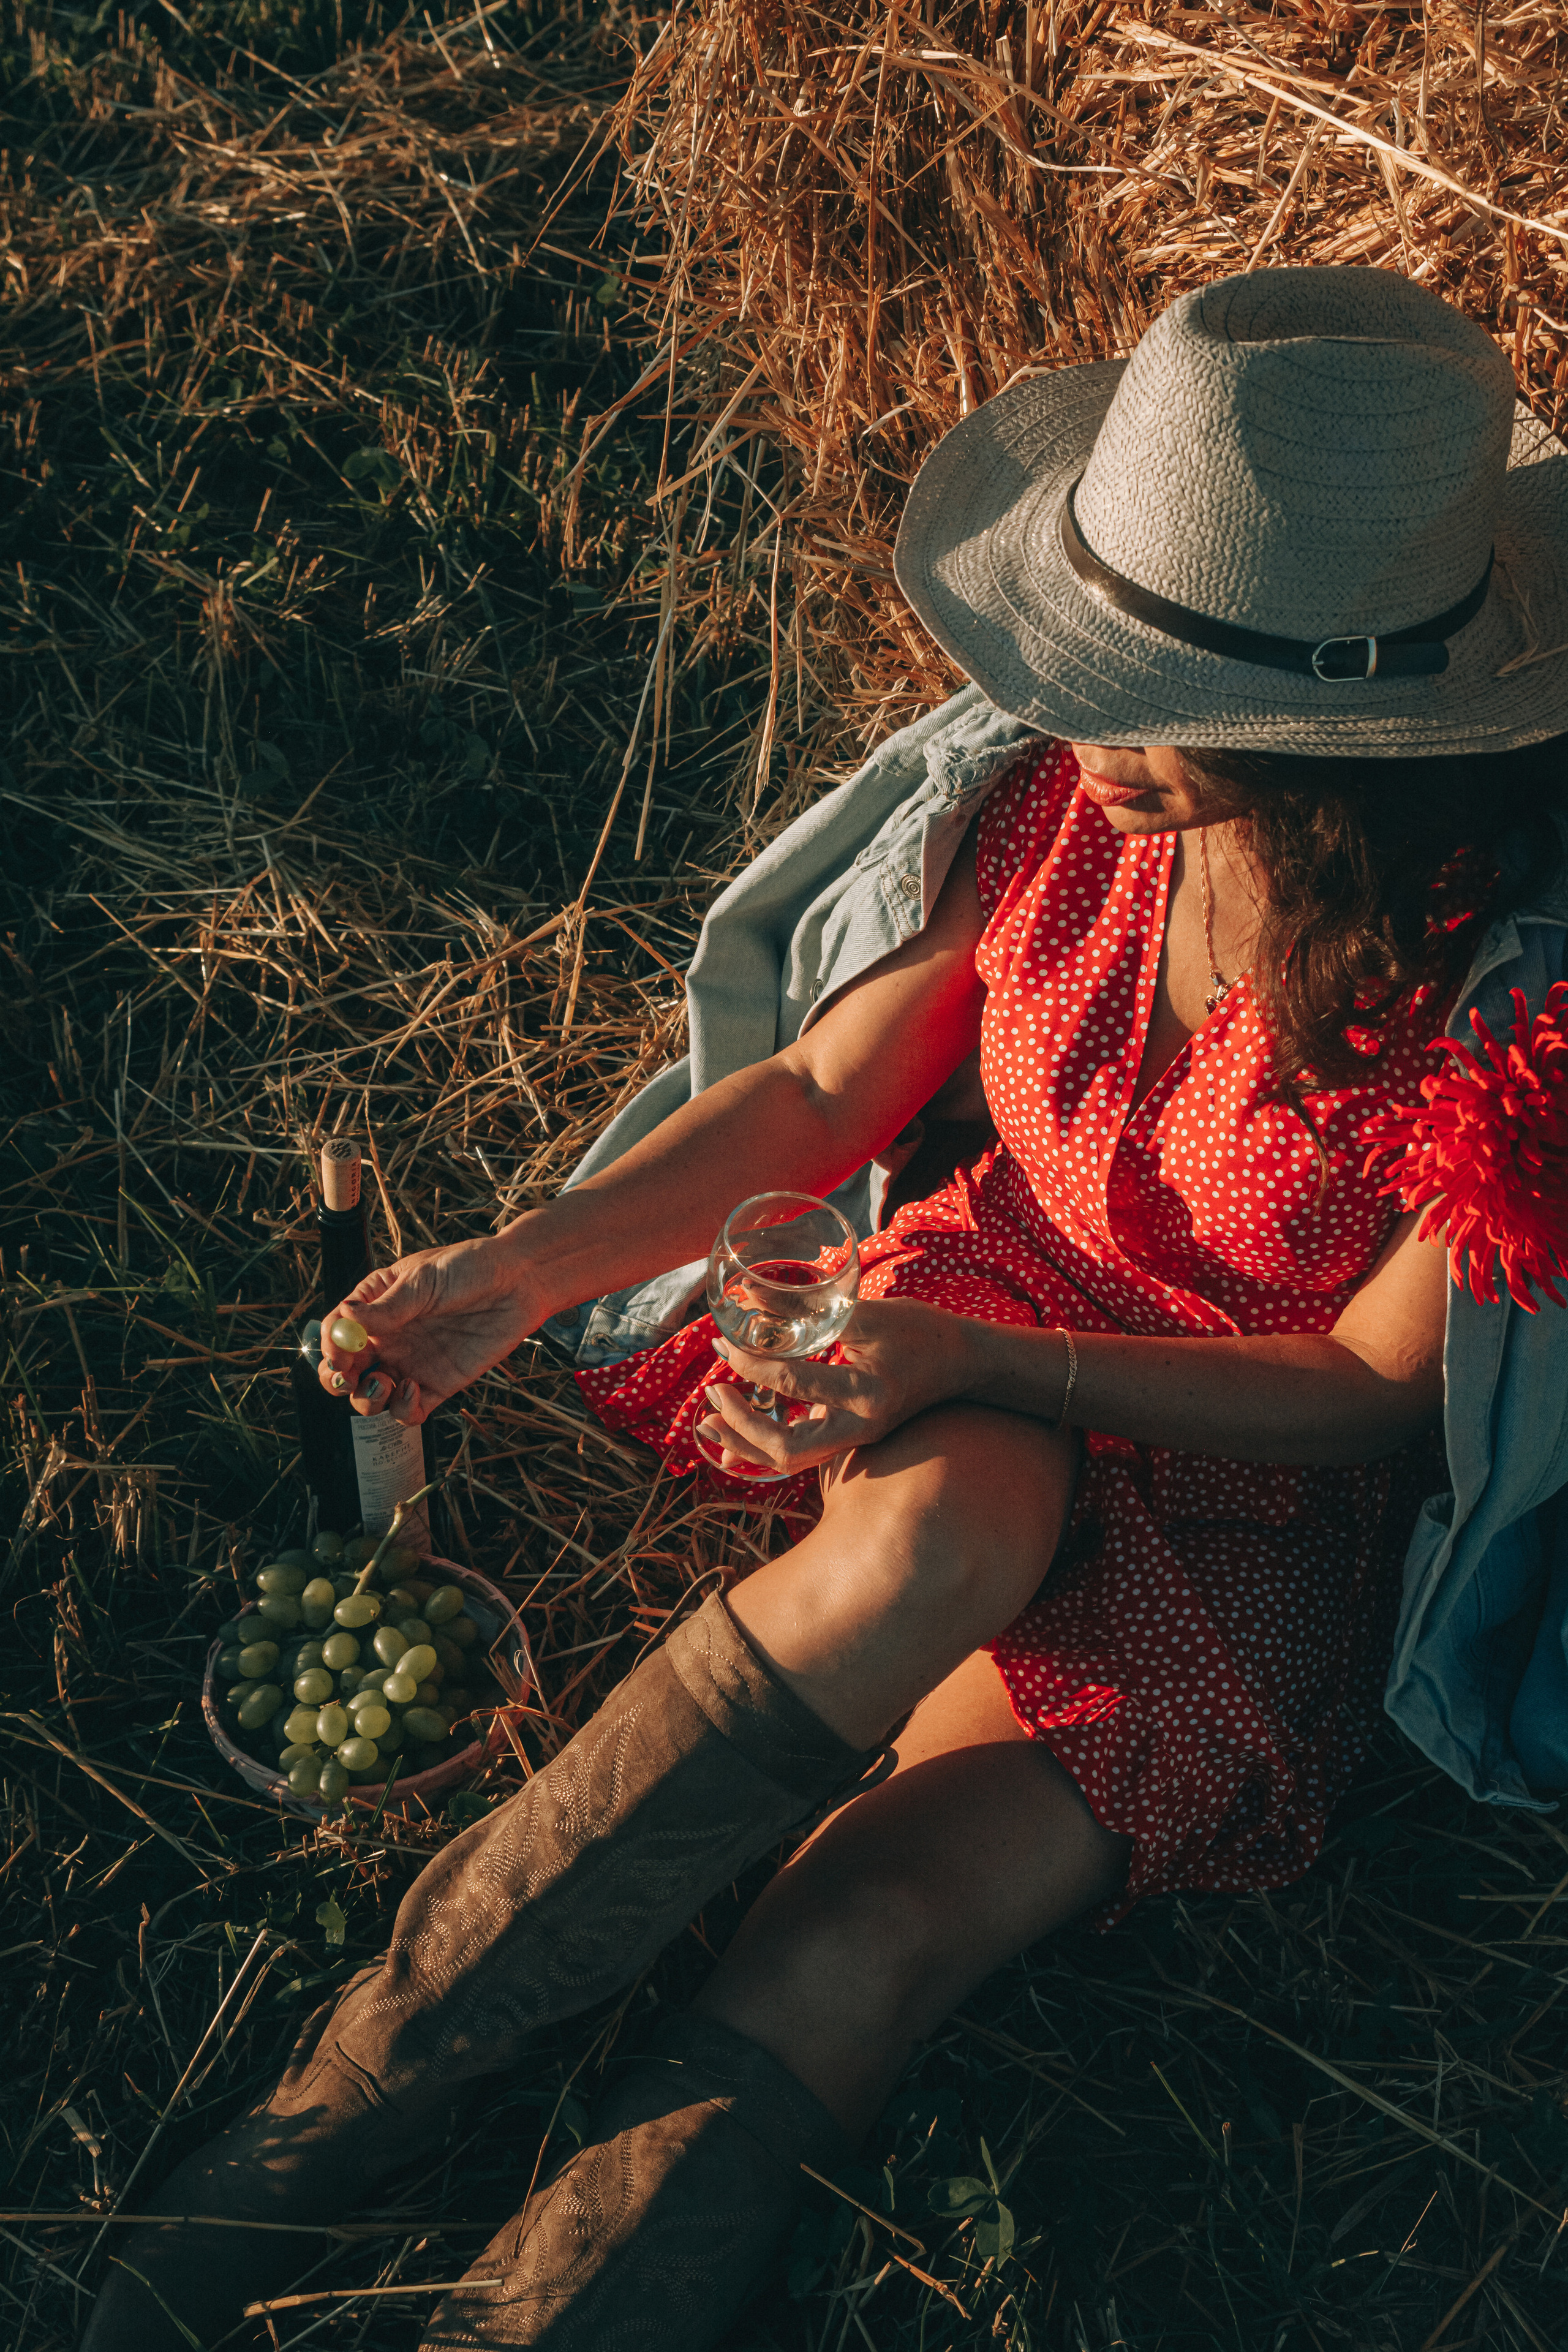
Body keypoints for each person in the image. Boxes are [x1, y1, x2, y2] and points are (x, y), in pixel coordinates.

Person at [86, 268, 1568, 2351]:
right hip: (961, 1379)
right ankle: (335, 2112)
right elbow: (818, 1084)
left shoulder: (1504, 992)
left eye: (1161, 691)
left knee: (860, 1927)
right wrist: (521, 1271)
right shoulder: (1078, 797)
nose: (1091, 717)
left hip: (1235, 1514)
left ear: (1348, 733)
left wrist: (983, 1354)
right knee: (954, 1517)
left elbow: (1374, 1386)